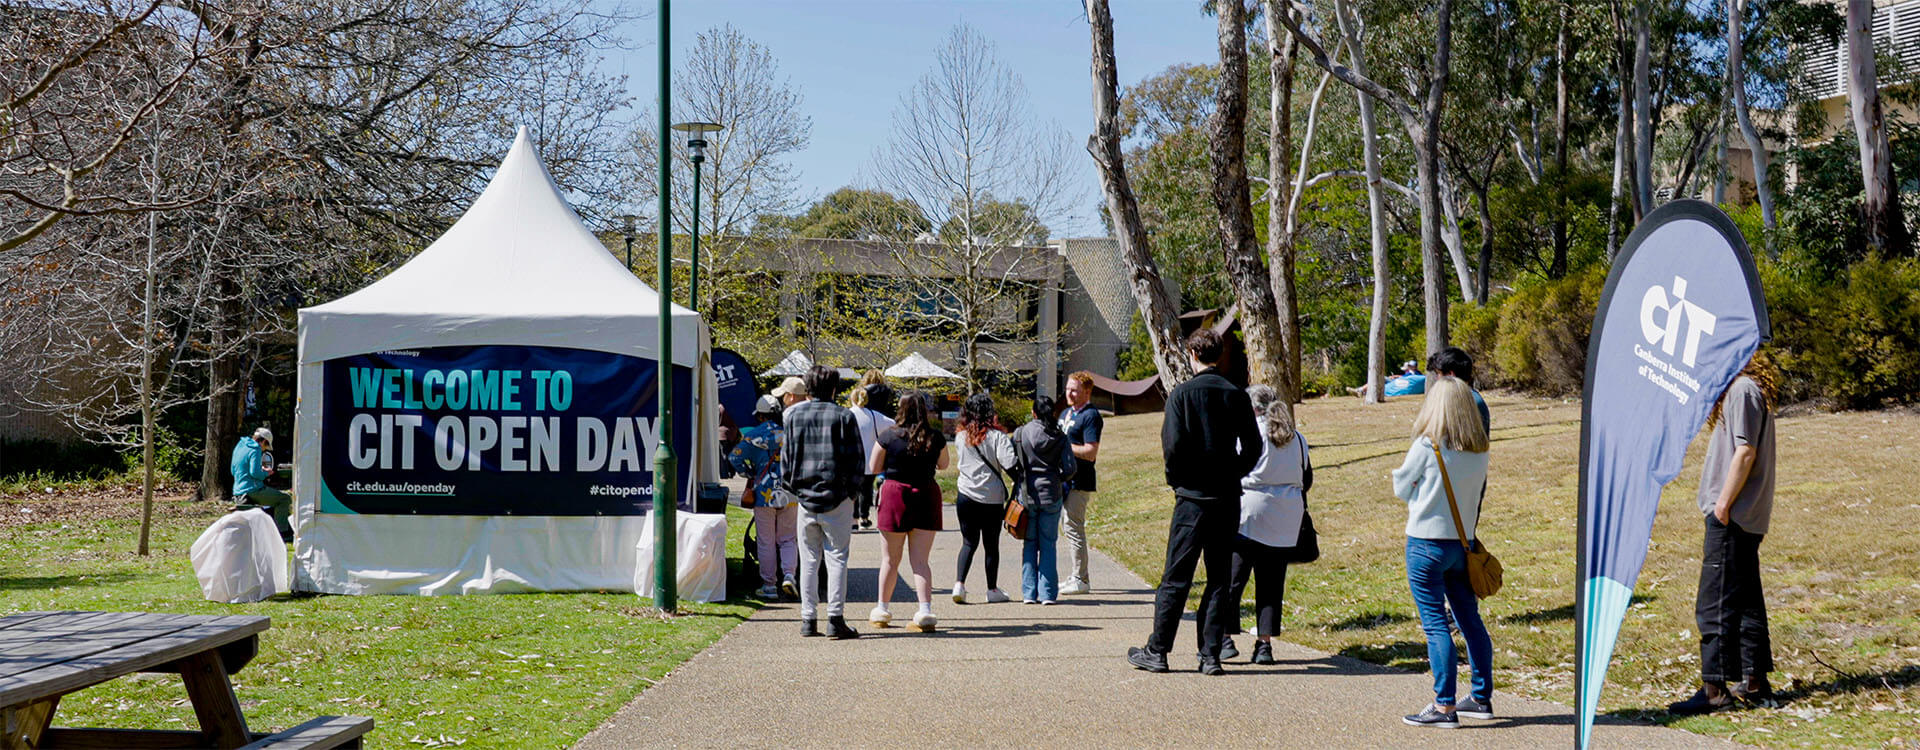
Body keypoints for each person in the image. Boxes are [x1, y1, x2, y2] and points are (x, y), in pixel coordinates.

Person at [1128, 329, 1261, 676]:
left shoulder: (1181, 395)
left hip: (1192, 498)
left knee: (1176, 576)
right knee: (1218, 578)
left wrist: (1179, 481)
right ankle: (1210, 654)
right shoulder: (1236, 394)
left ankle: (1158, 649)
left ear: (1192, 354)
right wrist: (1234, 472)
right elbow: (1253, 447)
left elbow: (1172, 447)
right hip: (1227, 496)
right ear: (1219, 354)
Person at [1668, 352, 1780, 715]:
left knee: (1713, 601)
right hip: (1742, 516)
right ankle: (1753, 681)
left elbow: (1745, 452)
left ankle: (1714, 690)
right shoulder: (1745, 389)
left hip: (1733, 516)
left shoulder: (1743, 389)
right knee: (1746, 597)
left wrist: (1722, 505)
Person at [1392, 375, 1495, 728]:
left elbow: (1403, 487)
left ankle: (1444, 705)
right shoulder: (1479, 450)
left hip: (1425, 543)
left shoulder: (1428, 445)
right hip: (1462, 545)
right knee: (1470, 621)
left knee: (1436, 626)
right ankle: (1480, 696)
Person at [1220, 384, 1311, 666]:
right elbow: (1306, 478)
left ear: (1252, 409)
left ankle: (1224, 636)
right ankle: (1264, 644)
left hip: (1251, 510)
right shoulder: (1297, 438)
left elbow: (1233, 468)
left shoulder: (1250, 434)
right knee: (1271, 584)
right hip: (1286, 515)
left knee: (1233, 578)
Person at [779, 366, 866, 640]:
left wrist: (794, 489)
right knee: (837, 557)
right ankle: (835, 618)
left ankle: (808, 618)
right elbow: (857, 460)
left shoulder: (794, 416)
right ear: (833, 388)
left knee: (809, 559)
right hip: (837, 497)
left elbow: (787, 459)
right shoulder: (844, 416)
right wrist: (852, 492)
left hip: (805, 498)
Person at [866, 391, 950, 631]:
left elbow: (873, 467)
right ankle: (925, 611)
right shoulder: (934, 437)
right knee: (921, 561)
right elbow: (943, 465)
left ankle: (882, 609)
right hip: (926, 494)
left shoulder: (888, 436)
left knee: (890, 559)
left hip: (894, 494)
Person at [729, 395, 798, 600]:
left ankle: (769, 585)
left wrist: (749, 472)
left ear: (759, 415)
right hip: (789, 493)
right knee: (788, 539)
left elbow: (734, 457)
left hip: (763, 494)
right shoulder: (790, 434)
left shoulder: (754, 436)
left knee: (766, 541)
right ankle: (789, 575)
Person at [952, 392, 1016, 605]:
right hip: (991, 497)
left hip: (966, 495)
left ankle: (959, 584)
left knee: (968, 542)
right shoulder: (997, 437)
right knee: (991, 545)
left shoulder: (960, 437)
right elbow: (1009, 464)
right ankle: (992, 589)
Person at [1012, 394, 1075, 605]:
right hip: (1051, 493)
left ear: (1033, 413)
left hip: (1027, 494)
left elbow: (1014, 463)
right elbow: (1070, 468)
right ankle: (1047, 594)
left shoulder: (1021, 434)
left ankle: (1029, 593)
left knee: (1030, 544)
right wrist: (1058, 477)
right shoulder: (1060, 436)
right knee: (1048, 544)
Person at [1057, 371, 1104, 595]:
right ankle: (1075, 574)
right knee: (1067, 527)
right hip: (1063, 480)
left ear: (1087, 391)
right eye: (1068, 388)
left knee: (1074, 528)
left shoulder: (1091, 415)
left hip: (1080, 481)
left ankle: (1081, 579)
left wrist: (1064, 446)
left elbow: (1091, 451)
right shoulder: (1066, 413)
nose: (1069, 393)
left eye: (1074, 390)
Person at [848, 370, 896, 531]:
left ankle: (853, 518)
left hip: (858, 442)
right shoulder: (888, 392)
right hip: (877, 432)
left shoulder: (861, 397)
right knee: (867, 486)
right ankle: (865, 516)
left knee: (855, 486)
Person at [230, 426, 292, 542]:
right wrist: (266, 473)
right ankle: (281, 534)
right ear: (263, 441)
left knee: (274, 499)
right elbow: (255, 473)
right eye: (266, 446)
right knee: (284, 499)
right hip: (252, 490)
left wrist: (259, 469)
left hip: (237, 490)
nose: (265, 450)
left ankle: (273, 529)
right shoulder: (256, 449)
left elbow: (233, 470)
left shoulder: (240, 445)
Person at [1427, 347, 1490, 433]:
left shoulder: (1465, 401)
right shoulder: (1470, 397)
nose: (1437, 379)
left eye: (1438, 374)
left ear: (1450, 375)